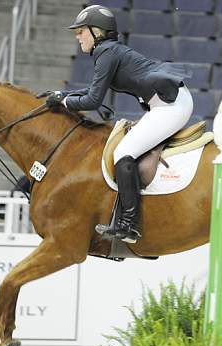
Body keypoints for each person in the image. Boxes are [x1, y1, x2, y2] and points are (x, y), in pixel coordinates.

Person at [42, 5, 193, 244]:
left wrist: (64, 101)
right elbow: (93, 91)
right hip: (166, 103)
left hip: (171, 106)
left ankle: (129, 225)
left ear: (97, 32)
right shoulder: (108, 51)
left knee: (123, 152)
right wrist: (62, 94)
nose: (77, 35)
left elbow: (92, 100)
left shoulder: (106, 53)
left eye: (81, 31)